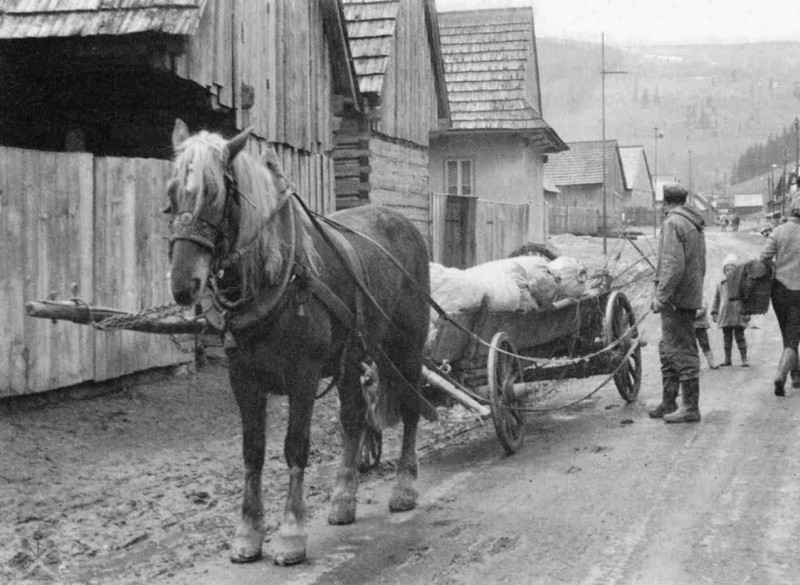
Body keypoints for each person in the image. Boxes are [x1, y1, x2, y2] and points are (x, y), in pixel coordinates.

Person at [649, 183, 707, 423]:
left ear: (665, 202)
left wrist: (661, 296)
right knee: (667, 348)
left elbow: (673, 265)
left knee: (682, 349)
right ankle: (669, 401)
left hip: (677, 299)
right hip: (687, 295)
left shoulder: (673, 223)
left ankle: (690, 407)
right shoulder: (692, 223)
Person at [760, 194, 800, 396]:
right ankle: (781, 374)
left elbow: (764, 257)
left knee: (788, 333)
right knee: (794, 335)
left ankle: (796, 375)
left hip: (780, 289)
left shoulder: (779, 231)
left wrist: (775, 267)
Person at [711, 254, 750, 367]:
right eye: (727, 270)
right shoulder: (721, 284)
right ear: (724, 272)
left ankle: (744, 359)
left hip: (738, 315)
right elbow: (717, 299)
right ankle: (727, 359)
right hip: (726, 316)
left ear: (736, 271)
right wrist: (714, 312)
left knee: (740, 337)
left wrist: (747, 313)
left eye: (732, 269)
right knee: (727, 339)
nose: (729, 272)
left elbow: (746, 299)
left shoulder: (741, 284)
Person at [694, 304, 718, 369]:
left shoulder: (703, 299)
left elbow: (702, 310)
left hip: (700, 326)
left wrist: (689, 315)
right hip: (690, 326)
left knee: (705, 344)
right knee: (691, 346)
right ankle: (694, 364)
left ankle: (712, 363)